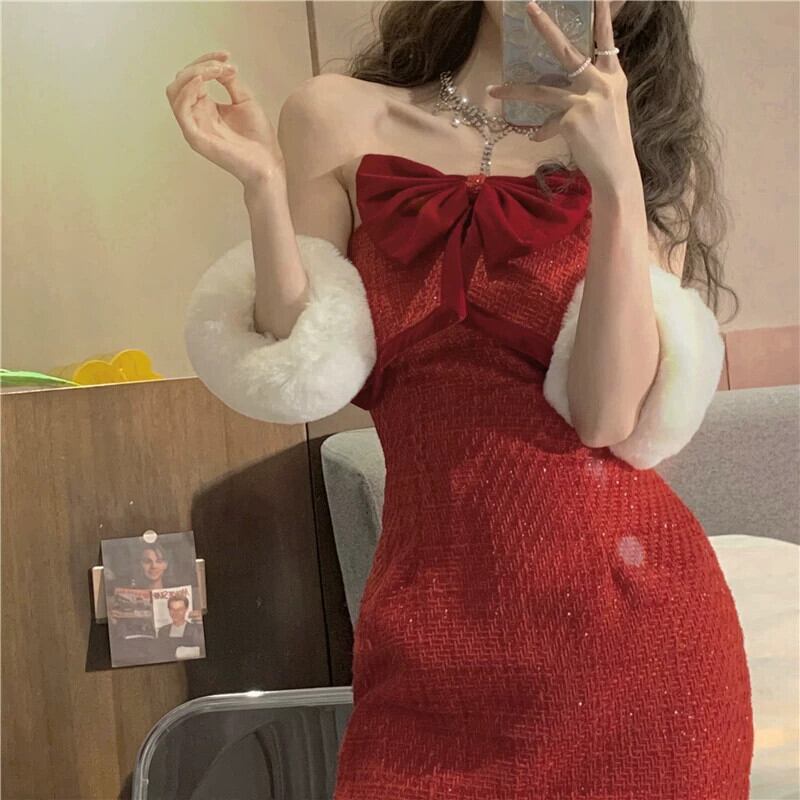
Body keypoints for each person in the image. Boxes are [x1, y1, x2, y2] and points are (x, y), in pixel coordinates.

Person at [166, 1, 754, 796]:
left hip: (636, 657)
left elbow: (607, 416)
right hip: (430, 638)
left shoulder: (641, 142)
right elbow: (309, 366)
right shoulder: (334, 115)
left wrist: (617, 179)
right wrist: (263, 187)